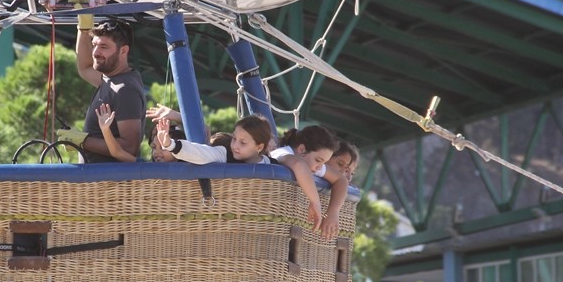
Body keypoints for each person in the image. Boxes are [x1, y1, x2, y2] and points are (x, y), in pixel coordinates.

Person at [155, 114, 335, 236]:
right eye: (234, 139)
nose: (235, 146)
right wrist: (170, 144)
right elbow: (200, 153)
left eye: (243, 142)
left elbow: (298, 164)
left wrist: (315, 202)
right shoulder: (224, 154)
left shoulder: (272, 164)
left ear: (259, 147)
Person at [61, 16, 145, 163]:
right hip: (98, 182)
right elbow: (85, 67)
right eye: (94, 45)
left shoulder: (124, 89)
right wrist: (83, 28)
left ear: (123, 51)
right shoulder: (111, 79)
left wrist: (82, 140)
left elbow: (129, 148)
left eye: (104, 47)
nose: (95, 52)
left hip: (110, 183)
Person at [270, 125, 350, 241]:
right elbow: (298, 164)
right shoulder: (281, 153)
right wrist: (315, 202)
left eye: (324, 162)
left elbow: (341, 180)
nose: (319, 167)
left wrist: (332, 212)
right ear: (302, 150)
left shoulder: (311, 163)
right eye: (318, 160)